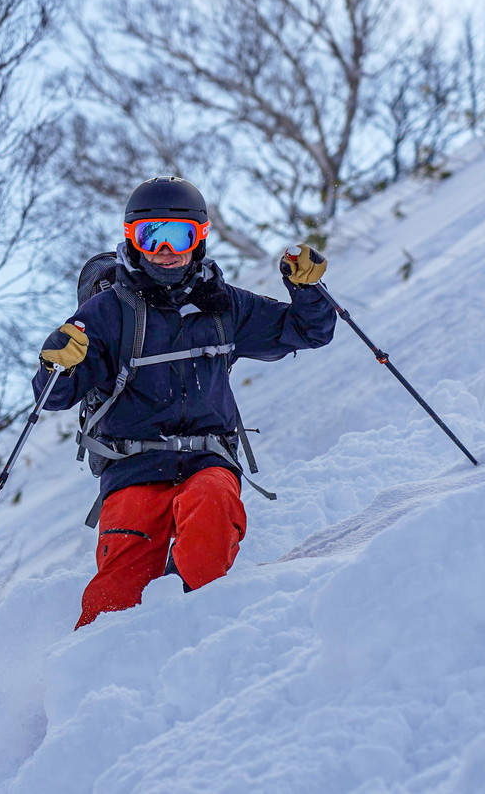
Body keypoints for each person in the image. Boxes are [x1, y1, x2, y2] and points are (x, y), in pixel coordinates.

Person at [33, 176, 336, 629]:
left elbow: (307, 331)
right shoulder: (106, 313)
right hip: (132, 465)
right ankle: (93, 666)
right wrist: (57, 364)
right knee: (120, 583)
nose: (166, 248)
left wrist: (307, 291)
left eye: (180, 234)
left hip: (206, 457)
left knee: (211, 508)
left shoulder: (222, 305)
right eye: (151, 235)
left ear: (200, 237)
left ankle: (196, 623)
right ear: (132, 239)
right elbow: (54, 397)